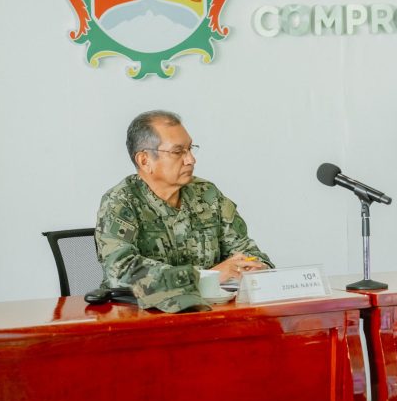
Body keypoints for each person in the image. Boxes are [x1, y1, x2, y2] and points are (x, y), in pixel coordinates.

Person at [96, 110, 272, 313]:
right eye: (178, 152)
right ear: (145, 160)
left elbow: (247, 251)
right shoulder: (120, 202)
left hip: (212, 312)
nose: (191, 159)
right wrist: (208, 277)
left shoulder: (207, 193)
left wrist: (254, 267)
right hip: (141, 317)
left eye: (190, 149)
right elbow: (122, 272)